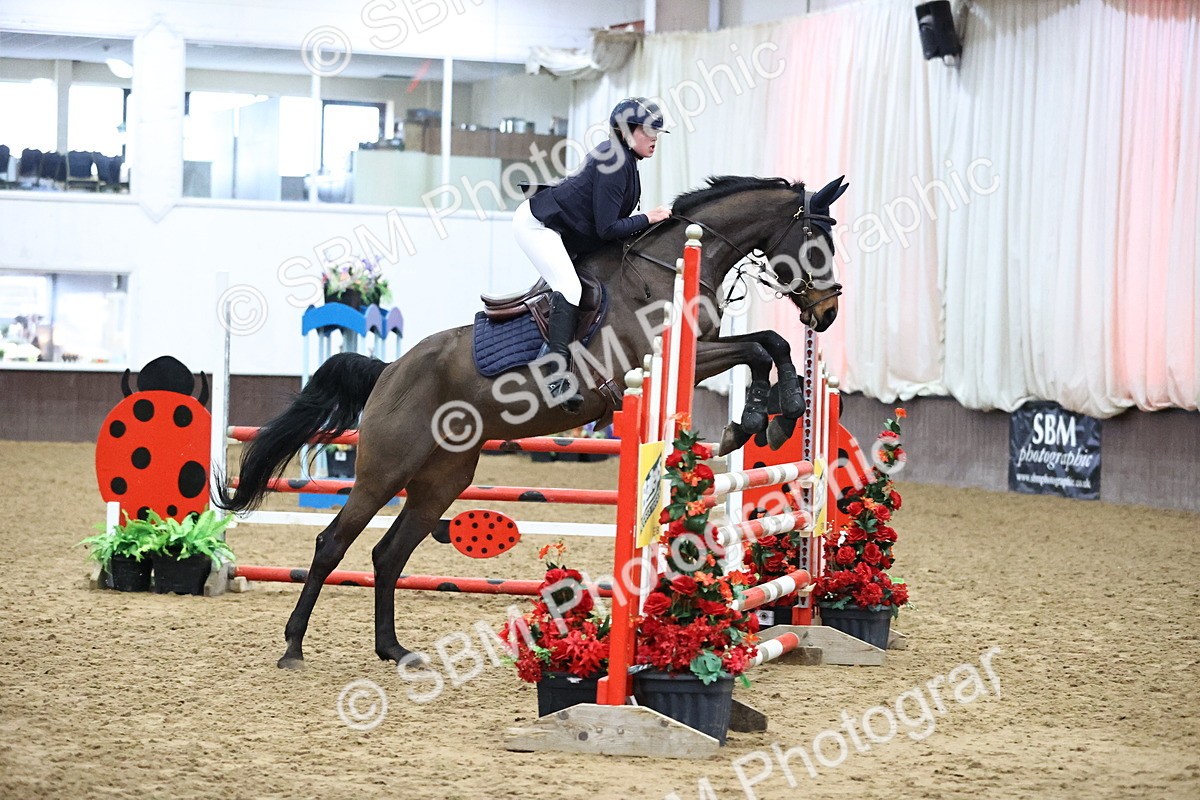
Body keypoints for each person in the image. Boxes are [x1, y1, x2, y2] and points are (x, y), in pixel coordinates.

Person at [512, 97, 673, 410]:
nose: (655, 137)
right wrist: (649, 218)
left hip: (563, 231)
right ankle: (554, 372)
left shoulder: (627, 162)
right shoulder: (614, 161)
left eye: (657, 131)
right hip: (537, 226)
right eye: (648, 130)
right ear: (627, 132)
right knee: (569, 287)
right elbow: (607, 229)